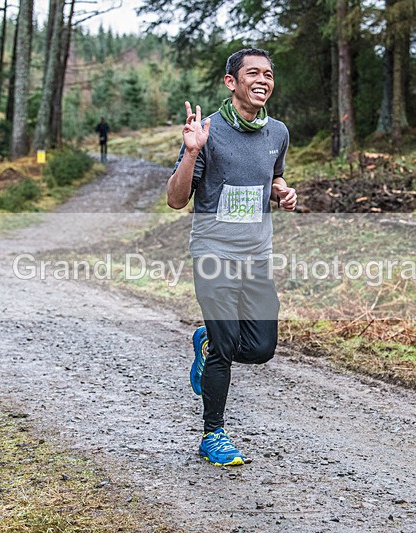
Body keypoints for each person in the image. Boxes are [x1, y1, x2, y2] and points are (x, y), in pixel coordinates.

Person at [167, 48, 297, 466]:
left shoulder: (277, 132)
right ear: (231, 82)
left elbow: (271, 174)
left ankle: (206, 342)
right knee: (226, 348)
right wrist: (191, 153)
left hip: (257, 254)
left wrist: (281, 190)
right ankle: (213, 435)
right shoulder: (207, 132)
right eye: (253, 73)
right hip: (213, 253)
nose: (263, 80)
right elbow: (175, 200)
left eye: (269, 74)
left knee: (261, 348)